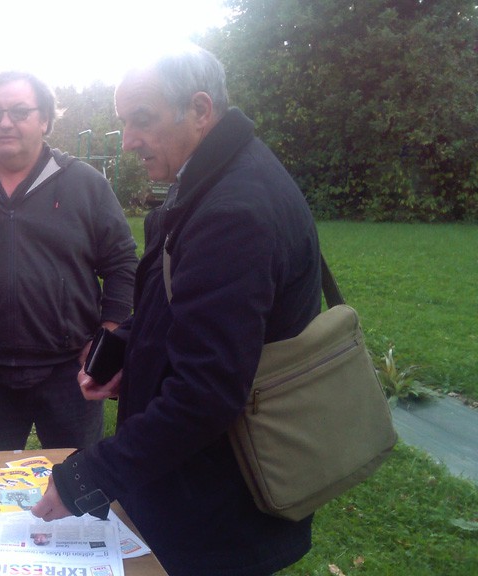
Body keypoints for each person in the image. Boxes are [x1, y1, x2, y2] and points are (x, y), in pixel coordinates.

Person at [29, 45, 319, 575]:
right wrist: (127, 352)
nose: (131, 140)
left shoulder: (235, 209)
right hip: (202, 491)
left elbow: (206, 392)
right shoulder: (218, 178)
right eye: (124, 123)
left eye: (143, 121)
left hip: (219, 512)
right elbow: (189, 305)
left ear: (201, 110)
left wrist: (87, 475)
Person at [0, 71, 138, 452]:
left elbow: (121, 261)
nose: (4, 122)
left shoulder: (82, 183)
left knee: (77, 486)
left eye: (19, 112)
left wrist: (109, 332)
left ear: (45, 119)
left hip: (68, 369)